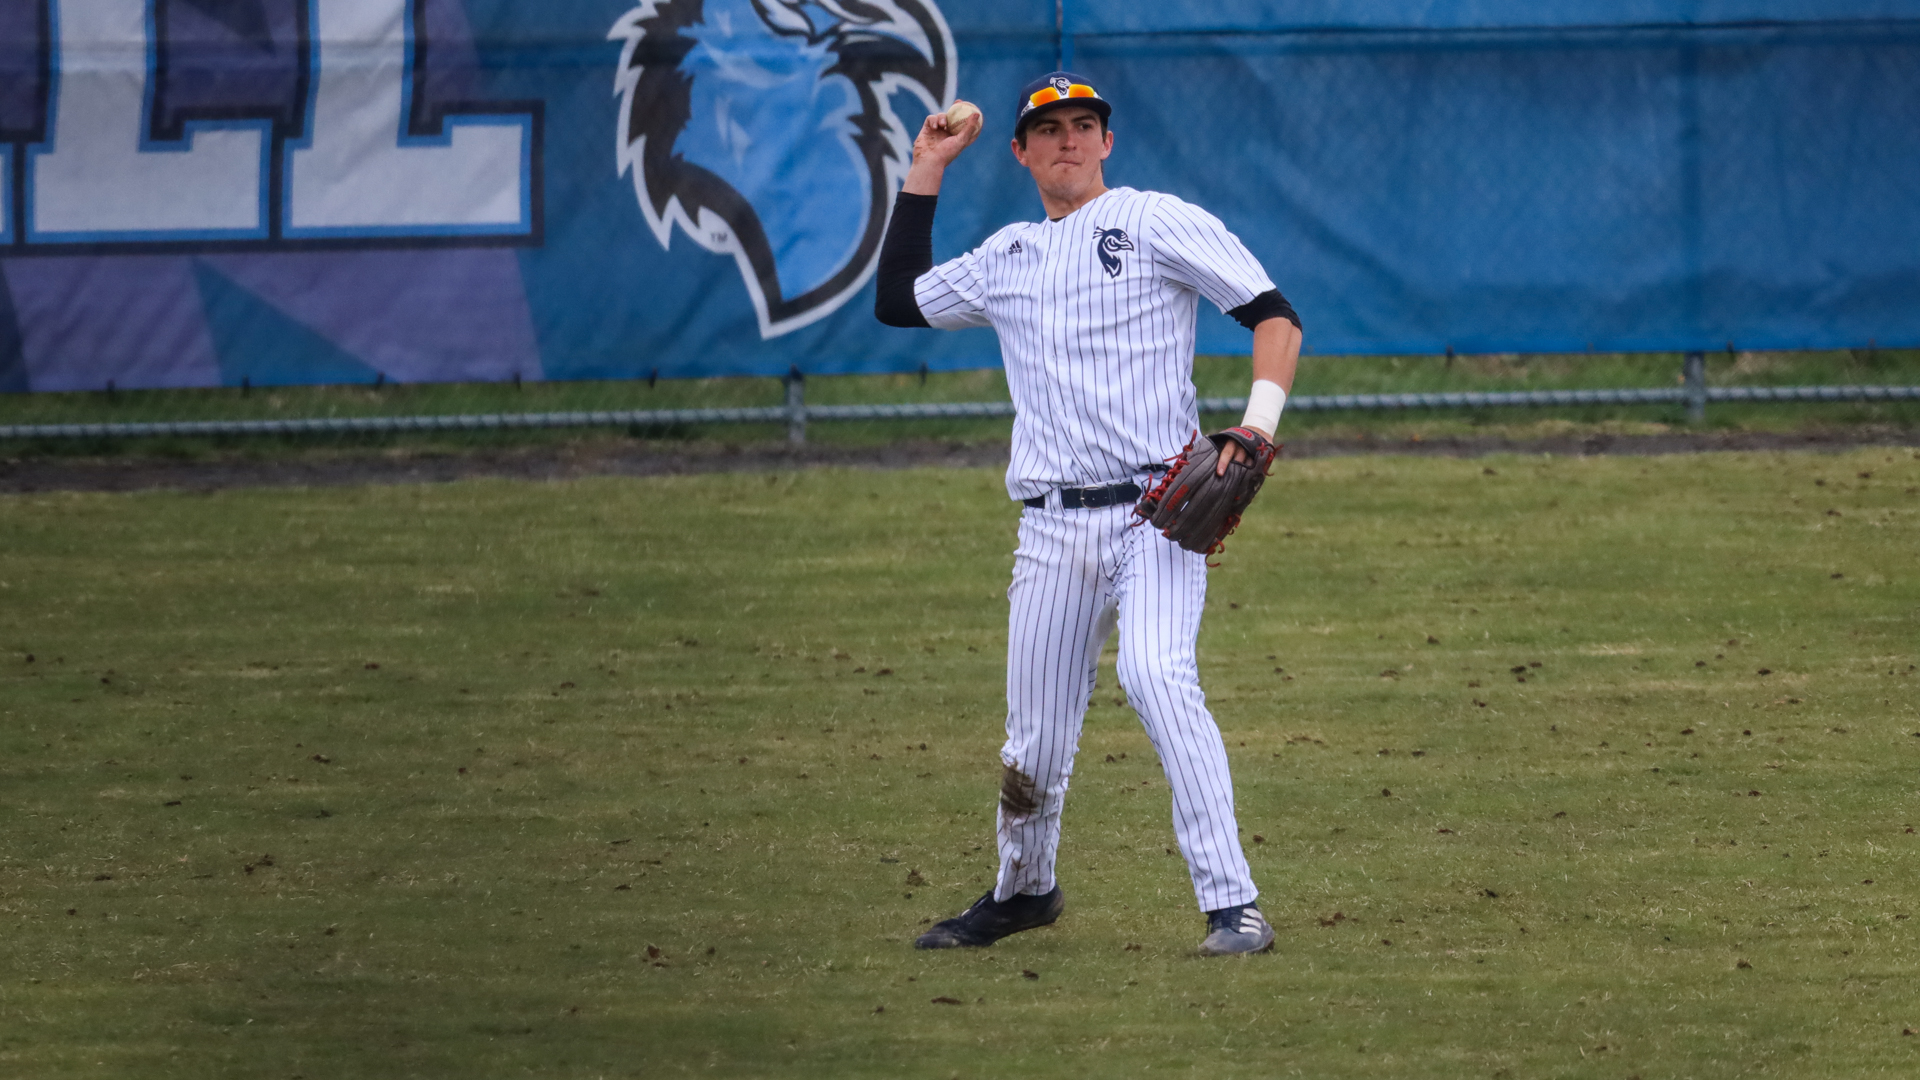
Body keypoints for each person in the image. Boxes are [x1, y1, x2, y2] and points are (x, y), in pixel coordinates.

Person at [874, 72, 1303, 956]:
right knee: (1033, 734)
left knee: (1156, 675)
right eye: (1049, 129)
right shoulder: (1008, 256)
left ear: (1106, 142)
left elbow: (1274, 317)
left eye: (1084, 125)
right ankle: (1024, 890)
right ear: (1022, 152)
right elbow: (897, 300)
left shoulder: (1153, 220)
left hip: (1159, 510)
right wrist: (925, 166)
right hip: (1052, 526)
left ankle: (1235, 907)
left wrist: (1256, 430)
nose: (1068, 139)